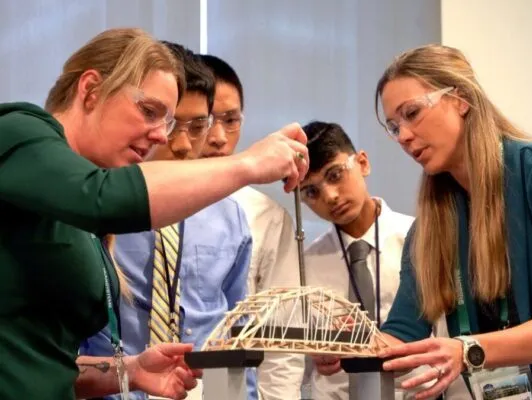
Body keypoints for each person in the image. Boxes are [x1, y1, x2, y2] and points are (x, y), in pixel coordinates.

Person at [0, 28, 308, 400]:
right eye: (149, 112)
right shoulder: (17, 131)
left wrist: (129, 370)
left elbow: (50, 361)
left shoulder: (77, 216)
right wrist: (249, 164)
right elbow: (103, 197)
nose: (162, 136)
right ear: (91, 89)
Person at [320, 44, 532, 400]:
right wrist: (354, 343)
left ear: (461, 98)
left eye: (412, 113)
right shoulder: (430, 228)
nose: (403, 136)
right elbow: (403, 335)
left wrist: (468, 349)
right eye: (394, 126)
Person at [80, 42, 257, 400]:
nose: (180, 143)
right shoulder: (95, 202)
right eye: (170, 123)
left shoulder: (227, 214)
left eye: (197, 126)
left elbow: (237, 331)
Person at [197, 54, 305, 399]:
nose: (217, 136)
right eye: (204, 121)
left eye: (230, 120)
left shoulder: (266, 217)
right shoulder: (142, 202)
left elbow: (283, 344)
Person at [298, 121, 428, 399]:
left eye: (335, 175)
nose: (330, 196)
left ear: (363, 163)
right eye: (311, 192)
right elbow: (300, 360)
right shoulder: (306, 266)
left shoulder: (419, 240)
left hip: (415, 392)